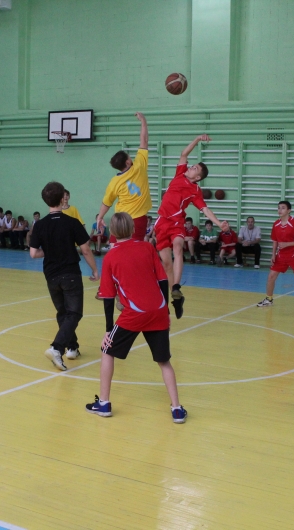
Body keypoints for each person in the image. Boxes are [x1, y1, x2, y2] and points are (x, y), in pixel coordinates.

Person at [86, 212, 187, 424]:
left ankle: (103, 403)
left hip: (134, 313)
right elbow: (162, 281)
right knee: (164, 361)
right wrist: (166, 312)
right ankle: (177, 409)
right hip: (158, 310)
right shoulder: (148, 247)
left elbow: (108, 296)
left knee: (107, 350)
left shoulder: (110, 257)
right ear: (133, 229)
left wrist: (108, 329)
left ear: (112, 232)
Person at [30, 181, 99, 371]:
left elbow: (34, 253)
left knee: (63, 313)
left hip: (51, 275)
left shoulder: (40, 225)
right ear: (62, 199)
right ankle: (56, 348)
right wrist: (95, 269)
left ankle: (72, 348)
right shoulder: (72, 222)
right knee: (74, 313)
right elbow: (85, 249)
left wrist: (50, 250)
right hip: (70, 274)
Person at [154, 133, 222, 319]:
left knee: (178, 247)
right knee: (166, 264)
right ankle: (176, 299)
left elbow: (205, 210)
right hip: (162, 222)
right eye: (193, 165)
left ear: (197, 177)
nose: (191, 167)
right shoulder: (179, 173)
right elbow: (184, 154)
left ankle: (176, 286)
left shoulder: (195, 191)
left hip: (176, 222)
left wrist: (218, 223)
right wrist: (197, 139)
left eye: (195, 168)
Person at [96, 112, 151, 242]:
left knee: (115, 248)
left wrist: (100, 217)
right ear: (127, 162)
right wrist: (143, 121)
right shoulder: (139, 166)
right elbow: (144, 140)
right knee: (134, 249)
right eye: (129, 157)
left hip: (120, 219)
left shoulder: (114, 182)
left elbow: (107, 202)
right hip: (137, 219)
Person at [257, 201, 294, 315]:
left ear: (289, 210)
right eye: (279, 208)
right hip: (281, 255)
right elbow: (275, 240)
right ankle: (269, 299)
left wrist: (287, 244)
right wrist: (273, 254)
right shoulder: (276, 224)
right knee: (271, 276)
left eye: (283, 208)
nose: (280, 210)